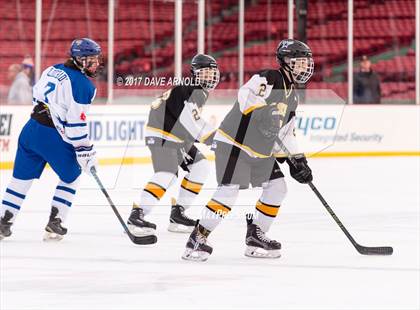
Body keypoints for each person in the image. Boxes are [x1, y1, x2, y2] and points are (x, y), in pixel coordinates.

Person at [182, 39, 314, 261]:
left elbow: (285, 134)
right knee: (229, 192)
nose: (304, 66)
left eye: (306, 62)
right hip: (234, 143)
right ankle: (197, 238)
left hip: (259, 152)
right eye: (299, 62)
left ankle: (256, 235)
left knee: (278, 187)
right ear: (286, 61)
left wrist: (298, 160)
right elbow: (246, 97)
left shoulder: (293, 97)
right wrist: (265, 113)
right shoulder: (270, 78)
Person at [0, 38, 101, 241]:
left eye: (97, 59)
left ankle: (3, 222)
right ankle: (56, 222)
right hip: (52, 136)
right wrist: (85, 150)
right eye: (91, 59)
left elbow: (38, 96)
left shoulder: (52, 69)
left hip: (30, 130)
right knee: (71, 177)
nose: (96, 63)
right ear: (79, 59)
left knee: (20, 179)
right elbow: (75, 125)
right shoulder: (83, 85)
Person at [126, 54, 219, 241]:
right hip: (164, 134)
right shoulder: (193, 90)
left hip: (175, 136)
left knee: (200, 166)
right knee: (167, 174)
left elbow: (189, 122)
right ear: (194, 74)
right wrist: (216, 139)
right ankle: (137, 215)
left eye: (211, 72)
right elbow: (192, 122)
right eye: (204, 72)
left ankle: (178, 214)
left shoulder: (194, 90)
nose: (209, 76)